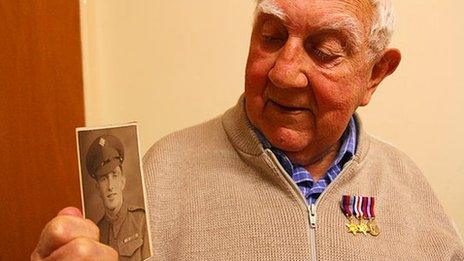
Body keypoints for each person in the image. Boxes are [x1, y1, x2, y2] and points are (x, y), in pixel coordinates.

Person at [31, 0, 464, 260]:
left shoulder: (410, 189)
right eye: (273, 36)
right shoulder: (161, 174)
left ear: (374, 75)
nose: (285, 72)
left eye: (325, 51)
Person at [85, 135, 150, 260]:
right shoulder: (95, 233)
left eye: (114, 176)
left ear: (122, 181)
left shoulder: (141, 221)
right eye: (103, 179)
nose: (110, 186)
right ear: (97, 188)